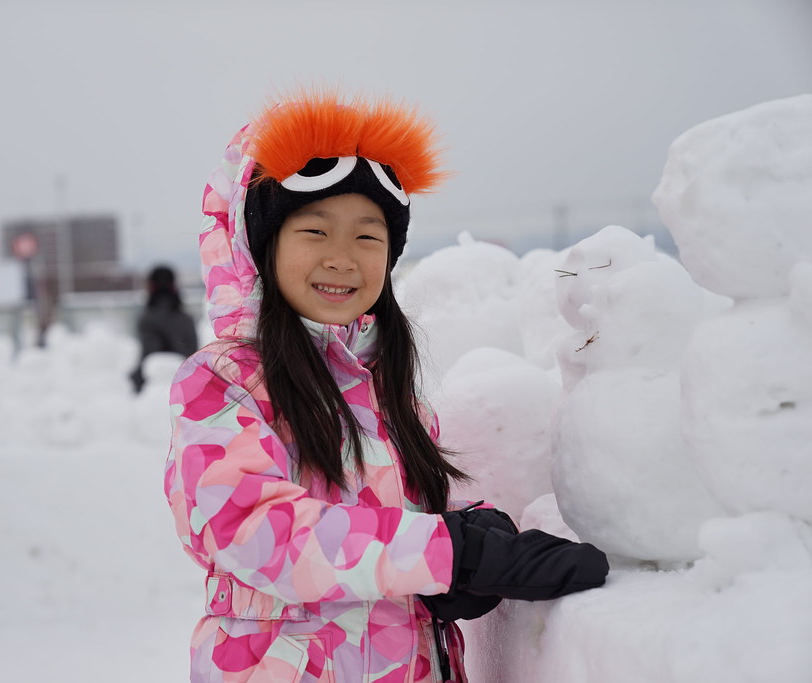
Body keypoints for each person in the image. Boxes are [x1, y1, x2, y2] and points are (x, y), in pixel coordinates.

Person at [164, 92, 609, 682]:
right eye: (316, 231)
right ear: (263, 247)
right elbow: (258, 533)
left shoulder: (390, 395)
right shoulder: (224, 382)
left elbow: (390, 524)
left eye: (367, 238)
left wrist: (467, 542)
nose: (342, 258)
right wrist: (451, 551)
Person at [129, 265, 199, 393]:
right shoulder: (186, 319)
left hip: (156, 389)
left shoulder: (147, 318)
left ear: (151, 286)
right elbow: (193, 356)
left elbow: (149, 358)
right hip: (186, 388)